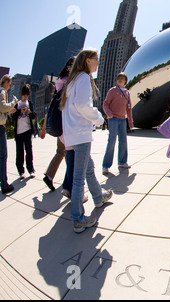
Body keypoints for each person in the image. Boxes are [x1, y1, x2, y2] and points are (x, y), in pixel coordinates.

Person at [60, 49, 112, 233]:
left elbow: (68, 109)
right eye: (96, 60)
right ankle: (78, 219)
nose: (98, 63)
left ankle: (98, 197)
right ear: (88, 60)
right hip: (81, 134)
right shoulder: (82, 79)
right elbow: (83, 106)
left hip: (73, 134)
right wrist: (98, 118)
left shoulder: (72, 81)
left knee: (87, 168)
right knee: (78, 178)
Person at [40, 57, 75, 191]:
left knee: (62, 152)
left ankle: (52, 176)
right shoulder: (69, 84)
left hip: (58, 124)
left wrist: (44, 127)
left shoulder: (59, 83)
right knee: (67, 153)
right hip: (65, 125)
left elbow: (51, 108)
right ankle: (65, 181)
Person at [102, 72, 134, 175]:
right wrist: (109, 113)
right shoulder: (113, 91)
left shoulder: (127, 93)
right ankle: (106, 166)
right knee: (111, 141)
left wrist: (130, 122)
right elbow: (105, 104)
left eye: (122, 78)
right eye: (118, 78)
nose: (120, 80)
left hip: (122, 120)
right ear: (117, 80)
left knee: (123, 141)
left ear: (125, 81)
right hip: (113, 119)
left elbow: (129, 108)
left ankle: (122, 162)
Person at [12, 84, 37, 180]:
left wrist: (29, 112)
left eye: (27, 95)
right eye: (24, 95)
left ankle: (31, 169)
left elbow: (34, 116)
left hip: (27, 130)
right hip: (19, 132)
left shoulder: (29, 103)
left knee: (29, 150)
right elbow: (13, 117)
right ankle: (21, 171)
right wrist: (19, 111)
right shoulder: (17, 104)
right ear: (21, 94)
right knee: (20, 152)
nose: (25, 97)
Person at [0, 75, 19, 194]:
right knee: (3, 156)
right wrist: (13, 103)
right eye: (9, 83)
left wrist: (9, 110)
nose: (10, 86)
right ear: (6, 82)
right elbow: (2, 107)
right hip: (0, 127)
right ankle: (4, 184)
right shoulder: (2, 91)